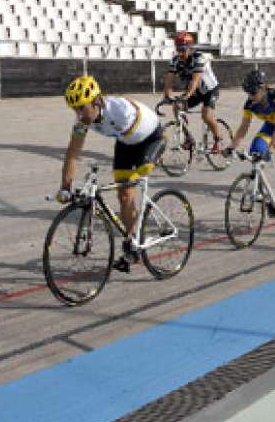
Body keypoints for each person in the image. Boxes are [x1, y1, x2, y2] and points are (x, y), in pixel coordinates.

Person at [58, 75, 164, 274]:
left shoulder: (120, 111)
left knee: (138, 177)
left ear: (97, 101)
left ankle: (142, 230)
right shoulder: (84, 120)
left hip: (150, 138)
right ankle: (133, 241)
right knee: (124, 195)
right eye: (75, 109)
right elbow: (73, 153)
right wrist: (65, 187)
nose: (79, 113)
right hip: (126, 143)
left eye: (81, 107)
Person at [163, 31, 225, 153]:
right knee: (177, 106)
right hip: (195, 92)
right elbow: (169, 80)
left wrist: (187, 95)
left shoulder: (199, 58)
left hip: (210, 90)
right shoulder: (176, 61)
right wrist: (167, 95)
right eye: (178, 49)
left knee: (206, 115)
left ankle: (218, 140)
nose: (180, 53)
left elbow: (195, 80)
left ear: (190, 48)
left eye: (183, 49)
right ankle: (188, 138)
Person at [228, 69, 275, 164]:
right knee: (255, 150)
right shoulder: (250, 104)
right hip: (271, 126)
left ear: (262, 89)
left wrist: (270, 149)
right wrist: (231, 147)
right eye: (248, 93)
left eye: (253, 93)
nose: (250, 97)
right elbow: (243, 128)